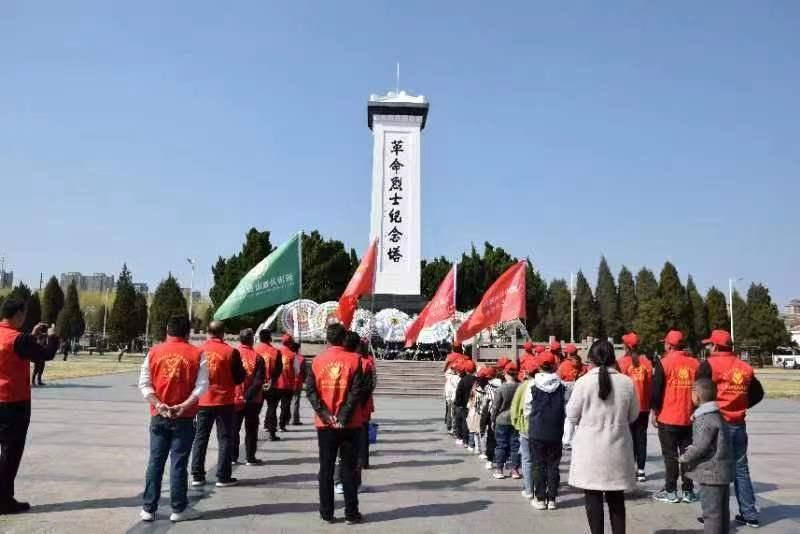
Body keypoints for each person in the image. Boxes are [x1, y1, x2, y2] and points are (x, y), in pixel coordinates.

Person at [138, 315, 208, 523]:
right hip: (184, 416)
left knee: (155, 461)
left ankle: (148, 508)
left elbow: (144, 384)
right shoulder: (197, 354)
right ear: (188, 332)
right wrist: (184, 405)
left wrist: (159, 404)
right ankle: (178, 508)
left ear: (167, 330)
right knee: (178, 463)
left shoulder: (154, 352)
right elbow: (202, 386)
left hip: (159, 415)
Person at [567, 340, 639, 534]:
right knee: (617, 500)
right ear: (614, 359)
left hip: (590, 450)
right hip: (617, 448)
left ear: (590, 359)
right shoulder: (627, 383)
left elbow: (572, 415)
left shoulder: (583, 382)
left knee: (593, 498)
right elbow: (633, 415)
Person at [697, 329, 764, 528]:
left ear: (716, 346)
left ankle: (714, 515)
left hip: (715, 424)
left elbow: (698, 394)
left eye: (710, 345)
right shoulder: (745, 368)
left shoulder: (708, 365)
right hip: (738, 424)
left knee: (714, 471)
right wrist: (740, 405)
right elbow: (758, 393)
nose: (708, 348)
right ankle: (749, 514)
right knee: (741, 469)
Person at [0, 299, 59, 515]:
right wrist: (53, 336)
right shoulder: (17, 339)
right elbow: (46, 354)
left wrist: (31, 336)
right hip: (13, 402)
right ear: (17, 314)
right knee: (11, 453)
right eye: (23, 314)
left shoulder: (10, 336)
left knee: (5, 452)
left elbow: (20, 350)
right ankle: (4, 500)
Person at [306, 323, 365, 525]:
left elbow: (310, 391)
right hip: (350, 424)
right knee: (349, 469)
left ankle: (326, 512)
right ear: (344, 338)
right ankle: (351, 513)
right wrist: (343, 417)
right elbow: (356, 392)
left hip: (326, 425)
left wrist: (325, 415)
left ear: (328, 339)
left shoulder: (317, 361)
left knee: (326, 469)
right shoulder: (356, 360)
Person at [190, 321, 245, 488]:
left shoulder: (198, 351)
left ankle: (197, 475)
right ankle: (223, 476)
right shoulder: (231, 352)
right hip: (224, 400)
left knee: (200, 437)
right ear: (223, 333)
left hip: (203, 400)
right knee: (225, 438)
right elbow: (239, 377)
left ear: (208, 332)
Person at [651, 330, 700, 504]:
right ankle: (688, 491)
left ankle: (671, 491)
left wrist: (654, 411)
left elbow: (656, 391)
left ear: (669, 345)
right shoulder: (695, 363)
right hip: (689, 417)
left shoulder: (664, 363)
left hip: (668, 417)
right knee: (688, 455)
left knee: (670, 456)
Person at [679, 378, 732, 534]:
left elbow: (700, 446)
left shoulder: (704, 418)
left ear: (697, 395)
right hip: (722, 470)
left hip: (711, 473)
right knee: (722, 512)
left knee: (711, 514)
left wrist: (684, 457)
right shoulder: (718, 415)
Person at [526, 352, 566, 510]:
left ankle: (540, 498)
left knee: (538, 464)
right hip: (556, 430)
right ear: (554, 365)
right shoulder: (562, 386)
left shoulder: (532, 385)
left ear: (539, 366)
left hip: (537, 429)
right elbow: (566, 407)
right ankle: (552, 499)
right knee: (553, 465)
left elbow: (527, 408)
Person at [617, 332, 653, 482]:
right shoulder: (647, 363)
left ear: (626, 346)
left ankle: (630, 468)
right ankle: (641, 470)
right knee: (641, 438)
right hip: (643, 407)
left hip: (627, 406)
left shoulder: (621, 363)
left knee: (628, 438)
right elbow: (650, 385)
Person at [232, 328, 266, 466]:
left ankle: (233, 457)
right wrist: (247, 397)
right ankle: (250, 457)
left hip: (235, 397)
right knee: (251, 429)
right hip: (253, 400)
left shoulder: (232, 354)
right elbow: (258, 381)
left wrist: (241, 396)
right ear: (252, 340)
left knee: (234, 428)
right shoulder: (258, 358)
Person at [511, 358, 537, 500]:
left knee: (527, 459)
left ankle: (529, 489)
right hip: (544, 426)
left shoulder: (523, 386)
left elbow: (515, 408)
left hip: (525, 426)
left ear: (527, 372)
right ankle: (540, 488)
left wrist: (516, 424)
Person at [491, 362, 521, 480]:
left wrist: (492, 419)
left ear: (505, 373)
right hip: (516, 418)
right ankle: (515, 470)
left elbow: (495, 407)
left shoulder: (501, 389)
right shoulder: (520, 387)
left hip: (502, 419)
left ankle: (499, 469)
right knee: (515, 445)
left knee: (501, 445)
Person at [255, 330, 284, 441]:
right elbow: (279, 369)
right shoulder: (276, 352)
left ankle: (253, 433)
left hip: (257, 386)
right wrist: (272, 380)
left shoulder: (254, 350)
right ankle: (272, 433)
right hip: (271, 385)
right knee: (272, 409)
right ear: (270, 338)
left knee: (255, 411)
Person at [558, 343, 583, 449]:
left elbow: (559, 377)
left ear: (568, 353)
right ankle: (575, 439)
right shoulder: (580, 363)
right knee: (576, 413)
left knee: (567, 415)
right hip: (577, 386)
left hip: (566, 387)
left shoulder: (564, 364)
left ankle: (567, 440)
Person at [480, 366, 501, 469]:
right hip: (504, 413)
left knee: (491, 437)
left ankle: (490, 460)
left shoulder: (488, 387)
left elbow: (486, 403)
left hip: (492, 414)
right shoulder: (504, 384)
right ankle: (502, 459)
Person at [276, 334, 298, 432]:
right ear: (290, 343)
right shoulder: (292, 355)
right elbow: (297, 370)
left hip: (276, 383)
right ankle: (282, 425)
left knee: (273, 406)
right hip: (288, 384)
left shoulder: (276, 352)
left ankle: (269, 425)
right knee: (285, 406)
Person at [453, 359, 477, 449]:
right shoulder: (476, 380)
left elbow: (458, 393)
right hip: (473, 405)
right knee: (472, 423)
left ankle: (465, 440)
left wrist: (457, 403)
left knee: (464, 422)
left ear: (466, 370)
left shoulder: (463, 380)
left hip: (463, 405)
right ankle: (472, 441)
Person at [443, 344, 466, 433]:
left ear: (453, 348)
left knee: (449, 404)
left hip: (451, 379)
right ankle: (455, 424)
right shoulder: (464, 357)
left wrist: (446, 370)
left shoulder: (450, 356)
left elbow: (444, 367)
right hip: (460, 379)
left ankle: (448, 422)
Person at [467, 368, 489, 458]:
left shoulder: (475, 389)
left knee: (477, 431)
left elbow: (472, 401)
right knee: (482, 432)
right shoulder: (488, 388)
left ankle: (478, 448)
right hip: (485, 412)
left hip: (477, 412)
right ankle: (483, 450)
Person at [291, 341, 307, 426]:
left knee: (286, 401)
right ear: (298, 349)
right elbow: (304, 371)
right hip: (297, 382)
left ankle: (286, 419)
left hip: (288, 382)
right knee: (296, 401)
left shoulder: (287, 356)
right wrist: (304, 380)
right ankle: (295, 419)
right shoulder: (301, 358)